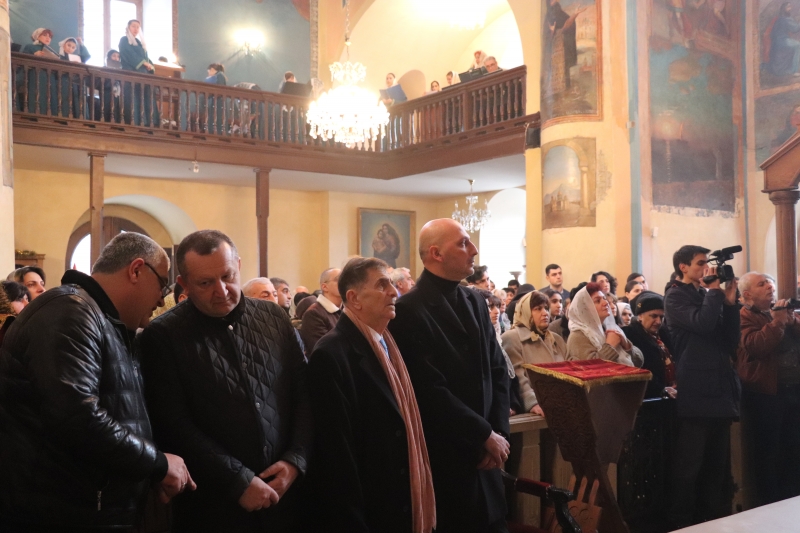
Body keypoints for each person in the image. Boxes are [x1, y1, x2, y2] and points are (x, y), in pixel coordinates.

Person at [0, 233, 194, 531]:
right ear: (136, 270)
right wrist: (156, 464)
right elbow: (77, 416)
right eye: (162, 284)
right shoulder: (69, 311)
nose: (160, 299)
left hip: (91, 509)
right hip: (60, 513)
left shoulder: (105, 320)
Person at [138, 230, 311, 532]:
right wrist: (237, 480)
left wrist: (296, 459)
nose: (222, 291)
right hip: (213, 503)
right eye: (205, 283)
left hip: (286, 495)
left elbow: (305, 393)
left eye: (228, 276)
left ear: (239, 265)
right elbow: (172, 423)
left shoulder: (274, 317)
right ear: (184, 284)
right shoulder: (162, 336)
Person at [389, 219, 510, 533]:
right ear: (436, 253)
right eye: (463, 243)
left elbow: (498, 369)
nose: (474, 250)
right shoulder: (408, 310)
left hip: (489, 457)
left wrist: (498, 431)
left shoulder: (475, 300)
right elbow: (429, 389)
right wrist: (482, 434)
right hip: (449, 457)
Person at [307, 257, 436, 533]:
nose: (394, 292)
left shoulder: (388, 341)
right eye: (381, 285)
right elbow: (337, 454)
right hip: (370, 507)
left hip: (396, 498)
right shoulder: (331, 354)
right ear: (354, 298)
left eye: (392, 284)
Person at [664, 245, 740, 528]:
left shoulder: (705, 294)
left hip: (719, 389)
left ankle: (713, 523)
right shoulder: (675, 296)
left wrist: (729, 305)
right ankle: (682, 525)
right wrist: (714, 293)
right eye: (699, 263)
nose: (705, 268)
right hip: (696, 391)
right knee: (689, 468)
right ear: (683, 267)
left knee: (716, 468)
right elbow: (704, 324)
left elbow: (730, 340)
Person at [736, 271, 800, 507]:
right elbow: (756, 347)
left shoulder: (782, 312)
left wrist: (791, 321)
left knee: (794, 447)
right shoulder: (744, 316)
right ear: (747, 295)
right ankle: (770, 504)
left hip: (793, 388)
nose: (770, 287)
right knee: (769, 451)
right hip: (766, 393)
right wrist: (777, 323)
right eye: (762, 284)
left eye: (771, 283)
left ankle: (792, 499)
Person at [502, 291, 567, 417]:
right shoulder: (512, 338)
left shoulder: (556, 339)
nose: (545, 313)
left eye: (546, 308)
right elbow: (518, 377)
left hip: (561, 405)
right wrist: (532, 403)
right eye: (538, 309)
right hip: (536, 410)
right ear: (525, 311)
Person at [566, 283, 641, 367]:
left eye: (604, 299)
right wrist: (610, 346)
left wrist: (627, 345)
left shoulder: (610, 328)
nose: (606, 303)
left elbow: (639, 363)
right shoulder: (578, 336)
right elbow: (590, 368)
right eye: (598, 301)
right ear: (585, 308)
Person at [625, 291, 676, 399]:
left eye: (661, 317)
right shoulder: (631, 336)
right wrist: (661, 389)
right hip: (649, 397)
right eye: (654, 316)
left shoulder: (664, 333)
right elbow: (638, 371)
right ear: (640, 316)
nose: (658, 321)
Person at [300, 268, 342, 353]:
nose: (345, 283)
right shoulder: (313, 314)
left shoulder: (348, 310)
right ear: (325, 287)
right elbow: (324, 351)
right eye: (339, 279)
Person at [765, 2, 800, 78]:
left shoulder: (779, 19)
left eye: (790, 7)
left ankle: (789, 68)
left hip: (776, 42)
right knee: (798, 45)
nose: (790, 9)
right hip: (782, 41)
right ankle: (793, 71)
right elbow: (795, 28)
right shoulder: (785, 19)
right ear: (784, 9)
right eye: (788, 7)